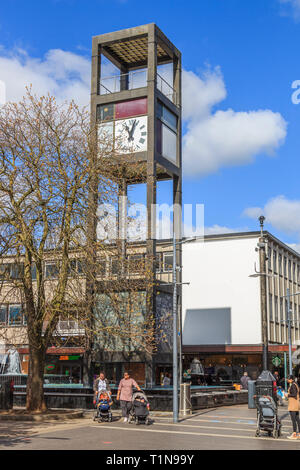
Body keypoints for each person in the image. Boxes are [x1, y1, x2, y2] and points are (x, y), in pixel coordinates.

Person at [285, 375, 300, 440]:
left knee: (293, 420)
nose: (287, 380)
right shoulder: (296, 384)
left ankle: (294, 434)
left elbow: (294, 394)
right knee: (297, 419)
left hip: (293, 404)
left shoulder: (293, 385)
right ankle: (299, 433)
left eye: (287, 379)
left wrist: (287, 395)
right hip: (296, 403)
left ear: (291, 379)